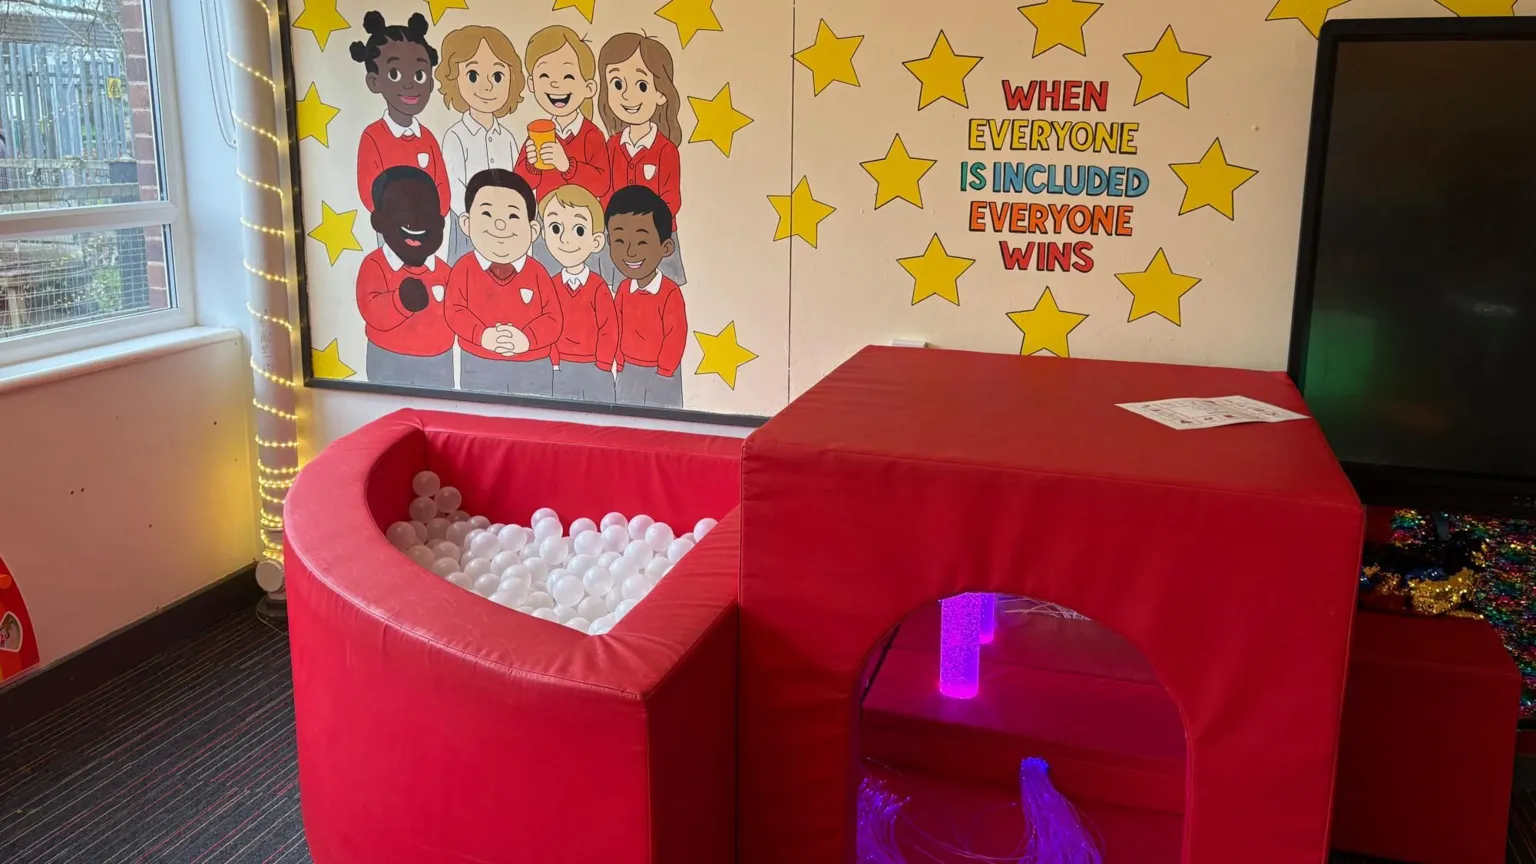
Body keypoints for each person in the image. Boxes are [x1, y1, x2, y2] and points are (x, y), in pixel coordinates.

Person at [445, 169, 563, 397]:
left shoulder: (538, 273)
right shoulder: (463, 269)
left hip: (533, 368)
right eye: (487, 215)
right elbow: (454, 311)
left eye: (513, 216)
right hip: (479, 365)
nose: (500, 226)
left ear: (533, 230)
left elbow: (553, 319)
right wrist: (482, 335)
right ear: (466, 223)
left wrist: (527, 339)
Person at [518, 26, 610, 276]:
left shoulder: (591, 135)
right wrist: (531, 164)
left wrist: (567, 165)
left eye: (568, 76)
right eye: (545, 75)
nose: (556, 84)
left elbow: (602, 183)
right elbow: (522, 186)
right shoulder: (537, 132)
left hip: (584, 228)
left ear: (589, 87)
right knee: (546, 287)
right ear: (532, 84)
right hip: (548, 226)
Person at [596, 33, 685, 288]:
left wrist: (648, 227)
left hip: (657, 238)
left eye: (641, 85)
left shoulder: (665, 150)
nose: (627, 96)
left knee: (662, 293)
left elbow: (671, 199)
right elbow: (604, 190)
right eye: (617, 84)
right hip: (619, 239)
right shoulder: (612, 146)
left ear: (661, 94)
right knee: (617, 292)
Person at [356, 166, 453, 388]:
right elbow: (370, 309)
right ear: (379, 221)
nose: (415, 221)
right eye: (402, 211)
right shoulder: (375, 265)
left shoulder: (445, 272)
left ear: (440, 222)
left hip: (438, 362)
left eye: (426, 212)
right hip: (388, 358)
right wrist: (400, 301)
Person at [435, 25, 524, 263]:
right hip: (467, 228)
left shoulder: (507, 138)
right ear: (454, 79)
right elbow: (452, 184)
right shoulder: (456, 136)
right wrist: (475, 219)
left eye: (497, 76)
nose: (486, 87)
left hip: (505, 227)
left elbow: (518, 179)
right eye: (473, 75)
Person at [351, 12, 450, 217]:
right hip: (390, 227)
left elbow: (442, 185)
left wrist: (435, 216)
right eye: (394, 74)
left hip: (428, 227)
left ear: (430, 84)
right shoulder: (373, 137)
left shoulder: (427, 138)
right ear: (374, 81)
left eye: (419, 75)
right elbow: (369, 189)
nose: (409, 84)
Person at [607, 185, 685, 408]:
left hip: (661, 374)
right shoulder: (623, 289)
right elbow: (617, 327)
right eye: (620, 242)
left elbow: (675, 335)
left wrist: (664, 371)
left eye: (642, 242)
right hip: (628, 371)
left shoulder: (669, 292)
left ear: (666, 247)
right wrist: (620, 363)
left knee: (663, 424)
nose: (630, 252)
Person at [540, 185, 616, 403]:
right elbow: (547, 325)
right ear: (544, 234)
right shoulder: (551, 286)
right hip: (561, 368)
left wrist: (602, 365)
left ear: (596, 241)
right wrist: (554, 362)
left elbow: (608, 328)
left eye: (579, 230)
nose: (565, 239)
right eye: (555, 228)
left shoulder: (598, 287)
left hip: (595, 370)